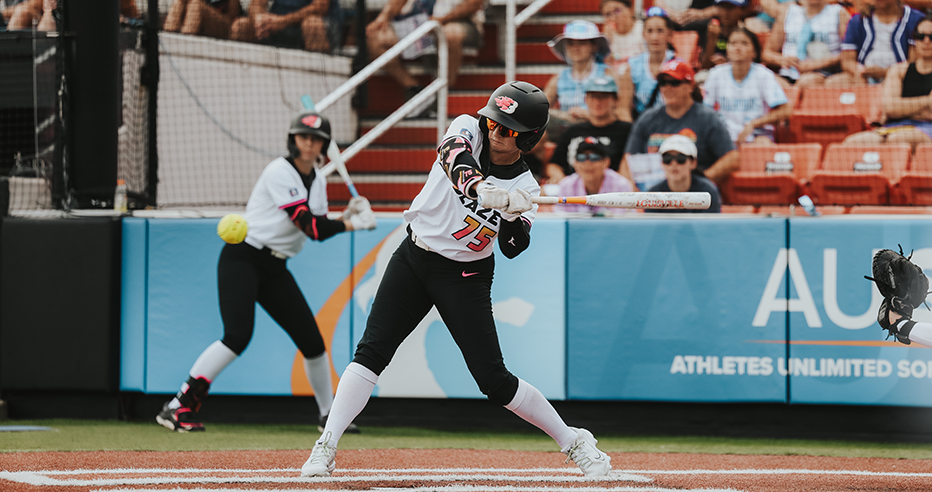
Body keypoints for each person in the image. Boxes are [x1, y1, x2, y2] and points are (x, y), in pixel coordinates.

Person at [299, 81, 612, 478]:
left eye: (507, 130)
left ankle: (574, 441)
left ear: (529, 139)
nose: (495, 131)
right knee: (371, 351)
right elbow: (452, 156)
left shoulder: (527, 187)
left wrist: (513, 215)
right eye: (494, 122)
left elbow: (514, 247)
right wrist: (481, 187)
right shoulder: (467, 128)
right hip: (414, 257)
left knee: (494, 381)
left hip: (465, 274)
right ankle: (326, 446)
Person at [155, 111, 375, 433]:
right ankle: (178, 405)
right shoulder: (279, 171)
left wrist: (345, 215)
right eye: (304, 137)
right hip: (244, 257)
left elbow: (319, 222)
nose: (310, 144)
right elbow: (310, 227)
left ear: (324, 145)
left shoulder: (319, 180)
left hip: (274, 266)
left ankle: (329, 416)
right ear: (293, 140)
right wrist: (353, 223)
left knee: (312, 343)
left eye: (316, 139)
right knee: (237, 336)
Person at [621, 59, 738, 190]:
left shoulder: (708, 118)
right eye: (663, 83)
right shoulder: (647, 119)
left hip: (692, 199)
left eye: (674, 82)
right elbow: (627, 162)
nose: (667, 88)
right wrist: (635, 195)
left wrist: (700, 183)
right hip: (652, 197)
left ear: (690, 86)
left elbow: (731, 158)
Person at [365, 0, 484, 117]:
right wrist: (384, 16)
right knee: (374, 37)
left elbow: (474, 3)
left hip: (459, 21)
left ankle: (441, 94)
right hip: (418, 22)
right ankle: (415, 89)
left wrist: (442, 20)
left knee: (450, 34)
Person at [842, 18, 932, 151]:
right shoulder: (898, 70)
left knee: (897, 140)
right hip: (892, 128)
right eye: (920, 36)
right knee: (850, 143)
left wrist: (902, 108)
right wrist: (926, 102)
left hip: (926, 129)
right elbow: (890, 107)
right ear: (915, 40)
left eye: (931, 37)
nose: (926, 41)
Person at [703, 27, 792, 144]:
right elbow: (705, 110)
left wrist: (754, 124)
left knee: (763, 144)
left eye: (744, 43)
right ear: (727, 50)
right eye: (733, 43)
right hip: (724, 137)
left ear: (754, 52)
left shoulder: (763, 75)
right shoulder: (716, 74)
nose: (738, 48)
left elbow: (786, 111)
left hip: (757, 135)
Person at [543, 20, 619, 141]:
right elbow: (540, 110)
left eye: (582, 43)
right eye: (571, 43)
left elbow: (620, 112)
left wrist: (591, 115)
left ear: (594, 46)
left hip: (599, 134)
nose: (576, 48)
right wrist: (562, 116)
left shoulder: (608, 74)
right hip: (565, 136)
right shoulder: (558, 78)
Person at [548, 76, 632, 182]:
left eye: (603, 96)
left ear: (615, 100)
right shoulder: (572, 131)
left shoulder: (628, 131)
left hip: (612, 190)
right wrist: (558, 177)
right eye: (593, 96)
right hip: (573, 190)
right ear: (585, 100)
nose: (598, 101)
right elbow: (555, 164)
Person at [825, 0, 925, 87]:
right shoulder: (856, 21)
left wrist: (886, 73)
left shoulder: (916, 19)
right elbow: (847, 60)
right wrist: (860, 72)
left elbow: (914, 62)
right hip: (864, 75)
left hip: (900, 77)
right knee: (832, 83)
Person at [762, 0, 850, 89]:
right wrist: (782, 60)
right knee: (766, 81)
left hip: (822, 74)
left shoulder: (839, 13)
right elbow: (767, 53)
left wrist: (819, 63)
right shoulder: (788, 12)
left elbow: (849, 54)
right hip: (787, 74)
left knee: (806, 81)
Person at [618, 7, 678, 122]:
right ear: (644, 35)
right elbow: (623, 110)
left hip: (672, 126)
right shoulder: (632, 67)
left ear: (669, 35)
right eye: (650, 31)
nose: (654, 37)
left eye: (660, 31)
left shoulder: (678, 65)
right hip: (644, 127)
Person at [555, 137, 637, 216]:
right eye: (581, 158)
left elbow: (624, 223)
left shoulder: (621, 186)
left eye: (594, 158)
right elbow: (562, 222)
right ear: (575, 163)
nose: (587, 163)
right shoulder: (566, 185)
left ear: (606, 162)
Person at [645, 135, 723, 213]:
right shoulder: (653, 195)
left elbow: (711, 224)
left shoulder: (707, 192)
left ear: (693, 163)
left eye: (681, 159)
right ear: (662, 163)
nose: (674, 164)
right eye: (667, 159)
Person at [230, 0, 343, 53]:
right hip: (278, 26)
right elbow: (256, 4)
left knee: (312, 25)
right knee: (240, 27)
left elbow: (320, 8)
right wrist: (259, 19)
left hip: (319, 26)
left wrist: (282, 21)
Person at [699, 0, 752, 70]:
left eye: (731, 7)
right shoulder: (710, 31)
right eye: (722, 7)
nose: (726, 12)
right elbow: (704, 66)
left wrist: (728, 64)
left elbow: (751, 66)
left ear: (742, 10)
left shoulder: (747, 36)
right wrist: (711, 40)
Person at [601, 0, 646, 71]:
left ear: (630, 10)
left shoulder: (643, 30)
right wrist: (606, 43)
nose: (613, 17)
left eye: (617, 11)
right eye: (607, 14)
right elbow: (605, 68)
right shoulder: (606, 36)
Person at [163, 0, 242, 39]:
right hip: (197, 21)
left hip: (225, 26)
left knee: (196, 6)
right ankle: (166, 37)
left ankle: (187, 40)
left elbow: (232, 15)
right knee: (180, 1)